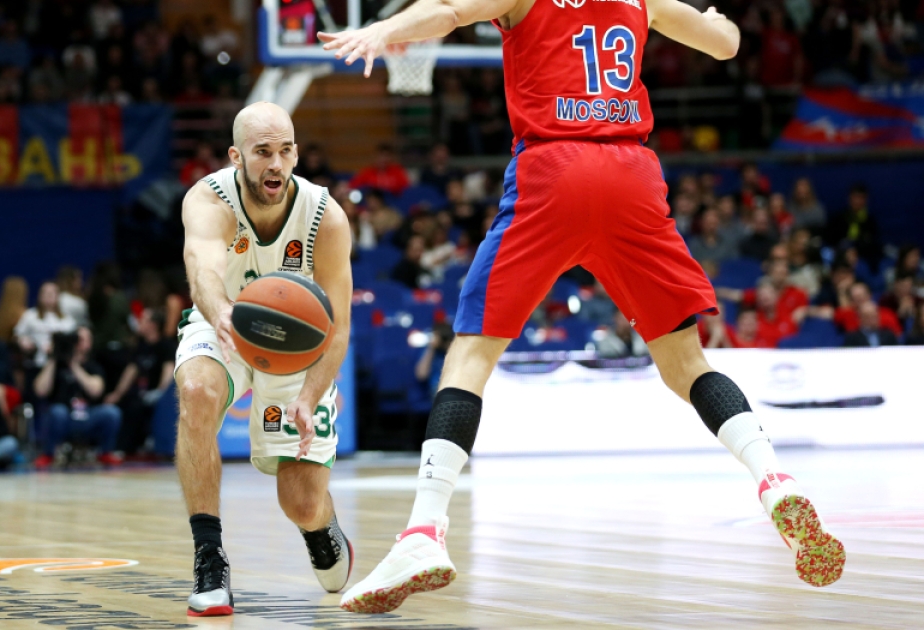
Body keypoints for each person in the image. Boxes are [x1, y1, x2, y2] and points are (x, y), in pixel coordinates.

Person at [321, 0, 844, 612]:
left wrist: (382, 30)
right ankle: (773, 477)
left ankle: (423, 532)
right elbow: (725, 44)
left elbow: (446, 10)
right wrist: (720, 19)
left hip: (554, 169)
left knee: (471, 356)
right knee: (687, 364)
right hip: (631, 175)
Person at [175, 102, 355, 616]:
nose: (276, 164)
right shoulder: (209, 199)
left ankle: (321, 526)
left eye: (285, 151)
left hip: (297, 346)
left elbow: (339, 326)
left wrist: (310, 396)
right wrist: (221, 312)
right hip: (225, 322)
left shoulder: (325, 216)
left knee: (300, 502)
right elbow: (203, 269)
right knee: (197, 391)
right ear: (237, 157)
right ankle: (210, 559)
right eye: (262, 152)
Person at [32, 326, 122, 468]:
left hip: (88, 416)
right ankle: (48, 453)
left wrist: (73, 364)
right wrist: (55, 357)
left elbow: (96, 390)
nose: (79, 343)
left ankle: (105, 452)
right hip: (64, 417)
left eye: (84, 340)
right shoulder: (57, 366)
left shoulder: (93, 366)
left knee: (111, 412)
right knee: (57, 411)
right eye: (77, 339)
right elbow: (40, 390)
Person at [103, 309, 174, 455]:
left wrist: (159, 393)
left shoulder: (166, 346)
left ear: (153, 325)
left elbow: (168, 374)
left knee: (137, 407)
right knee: (125, 403)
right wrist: (117, 394)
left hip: (157, 394)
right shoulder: (140, 346)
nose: (139, 323)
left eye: (143, 320)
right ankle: (112, 447)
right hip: (140, 393)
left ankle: (127, 447)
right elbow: (130, 372)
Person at [13, 281, 76, 367]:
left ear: (58, 296)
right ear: (39, 296)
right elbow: (17, 334)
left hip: (61, 364)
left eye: (52, 293)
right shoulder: (30, 315)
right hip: (34, 362)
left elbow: (74, 341)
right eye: (46, 293)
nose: (49, 296)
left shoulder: (67, 320)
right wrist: (22, 340)